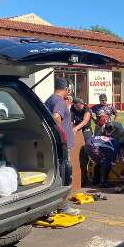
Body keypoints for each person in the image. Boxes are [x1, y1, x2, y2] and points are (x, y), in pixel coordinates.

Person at [44, 77, 80, 215]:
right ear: (66, 89)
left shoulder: (51, 99)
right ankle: (63, 206)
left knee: (57, 174)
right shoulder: (59, 101)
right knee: (64, 175)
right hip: (62, 146)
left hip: (55, 145)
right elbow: (56, 116)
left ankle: (52, 206)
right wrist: (61, 136)